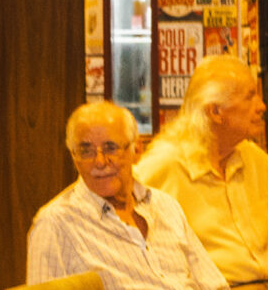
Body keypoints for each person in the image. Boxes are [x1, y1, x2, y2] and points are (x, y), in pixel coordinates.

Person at [26, 101, 228, 289]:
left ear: (136, 150)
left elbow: (214, 284)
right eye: (86, 151)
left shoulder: (166, 206)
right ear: (73, 156)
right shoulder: (55, 223)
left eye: (110, 148)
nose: (99, 161)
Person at [135, 55, 268, 288]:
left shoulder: (253, 158)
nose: (261, 106)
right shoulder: (164, 165)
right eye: (250, 96)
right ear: (216, 112)